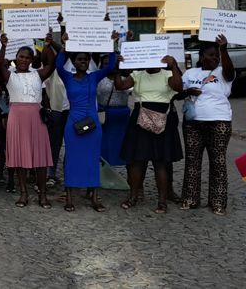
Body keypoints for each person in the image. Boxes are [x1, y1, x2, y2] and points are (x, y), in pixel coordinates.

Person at [55, 31, 119, 212]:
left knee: (92, 160)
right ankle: (69, 198)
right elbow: (59, 65)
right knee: (72, 160)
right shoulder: (67, 77)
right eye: (79, 60)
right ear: (74, 62)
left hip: (92, 124)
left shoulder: (94, 77)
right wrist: (64, 46)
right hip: (73, 123)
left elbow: (110, 67)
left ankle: (95, 198)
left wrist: (113, 44)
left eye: (85, 60)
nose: (82, 62)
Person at [115, 53, 183, 214]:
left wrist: (173, 66)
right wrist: (118, 68)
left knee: (160, 163)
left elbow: (178, 88)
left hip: (161, 120)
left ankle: (162, 201)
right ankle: (133, 197)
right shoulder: (137, 74)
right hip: (140, 118)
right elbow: (120, 86)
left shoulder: (168, 74)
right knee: (137, 161)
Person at [0, 32, 56, 209]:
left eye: (27, 57)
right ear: (15, 59)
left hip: (36, 118)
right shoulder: (10, 75)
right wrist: (3, 46)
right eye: (21, 57)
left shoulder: (38, 74)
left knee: (40, 158)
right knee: (20, 157)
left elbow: (52, 64)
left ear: (31, 60)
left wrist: (47, 45)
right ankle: (23, 193)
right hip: (17, 117)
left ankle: (43, 195)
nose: (23, 60)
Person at [180, 35, 235, 215]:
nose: (215, 58)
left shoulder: (222, 72)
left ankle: (218, 203)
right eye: (211, 55)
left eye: (217, 56)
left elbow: (230, 73)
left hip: (218, 122)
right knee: (192, 161)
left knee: (218, 162)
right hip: (192, 124)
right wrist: (187, 91)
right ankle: (190, 199)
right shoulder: (190, 74)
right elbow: (177, 93)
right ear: (201, 56)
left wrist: (223, 49)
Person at [97, 54, 130, 167]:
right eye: (106, 63)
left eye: (113, 63)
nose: (110, 66)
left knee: (122, 146)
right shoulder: (98, 78)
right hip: (105, 116)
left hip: (122, 116)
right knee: (105, 146)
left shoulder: (126, 77)